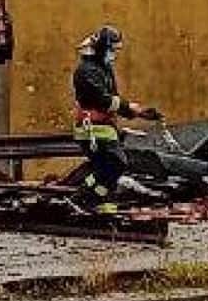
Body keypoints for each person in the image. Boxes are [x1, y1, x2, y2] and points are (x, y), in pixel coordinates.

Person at [68, 25, 161, 212]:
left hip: (105, 127)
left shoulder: (104, 69)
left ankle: (101, 202)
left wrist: (139, 113)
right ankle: (82, 195)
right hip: (93, 129)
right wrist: (129, 107)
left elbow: (113, 99)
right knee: (115, 163)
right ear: (103, 47)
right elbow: (102, 99)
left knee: (110, 167)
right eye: (113, 50)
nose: (114, 54)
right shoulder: (87, 71)